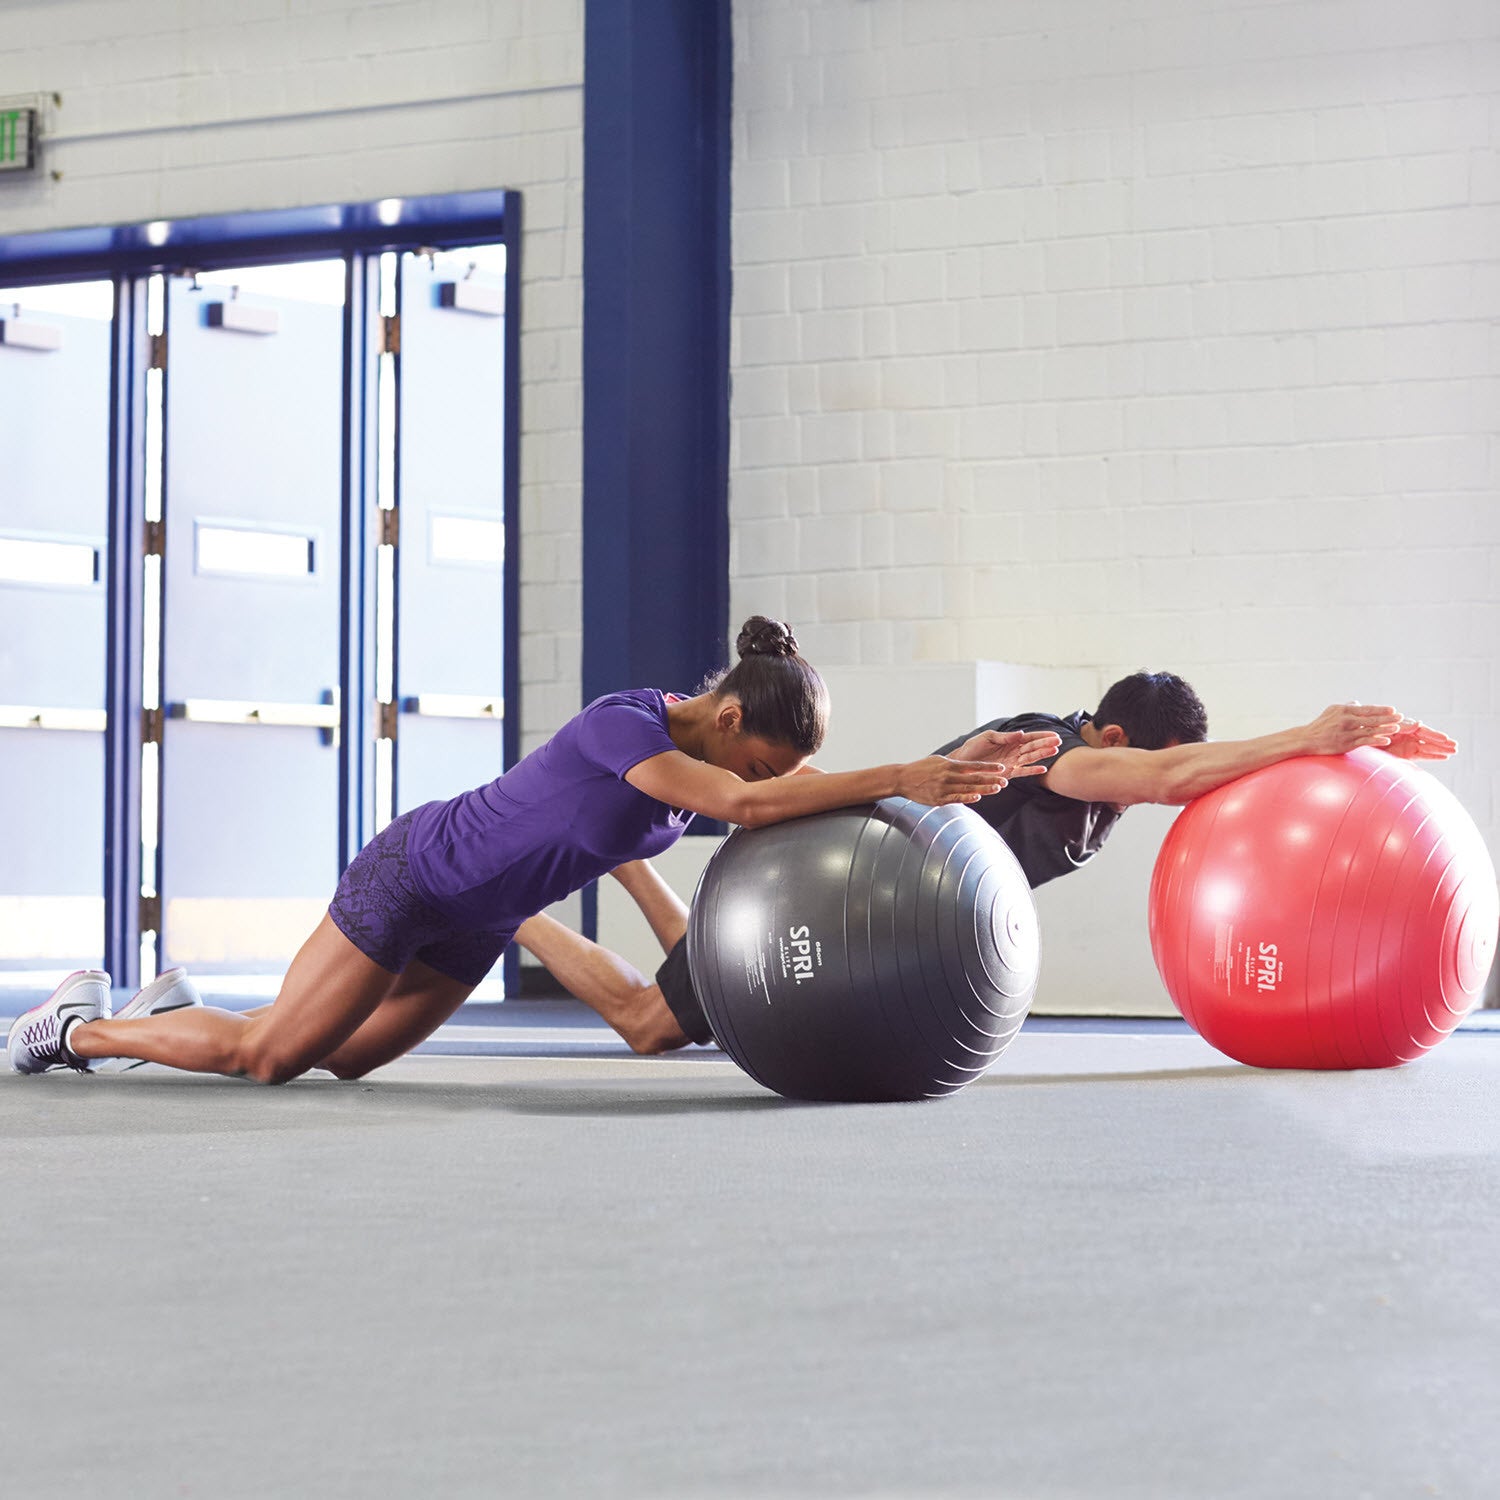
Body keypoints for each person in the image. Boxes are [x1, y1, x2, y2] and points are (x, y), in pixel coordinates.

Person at [7, 617, 1060, 1083]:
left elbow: (787, 812)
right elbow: (745, 813)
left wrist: (955, 763)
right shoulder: (627, 726)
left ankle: (161, 1013)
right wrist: (899, 775)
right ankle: (80, 1028)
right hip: (413, 875)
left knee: (345, 1061)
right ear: (731, 720)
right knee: (271, 1057)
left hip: (472, 924)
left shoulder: (701, 781)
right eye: (762, 765)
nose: (761, 788)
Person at [512, 671, 1458, 1053]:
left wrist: (1300, 765)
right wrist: (1308, 733)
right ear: (1115, 734)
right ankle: (513, 909)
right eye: (1137, 759)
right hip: (837, 898)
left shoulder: (1091, 762)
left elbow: (1188, 777)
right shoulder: (1064, 755)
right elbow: (1171, 778)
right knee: (653, 1026)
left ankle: (620, 855)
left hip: (847, 906)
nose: (1139, 783)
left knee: (715, 986)